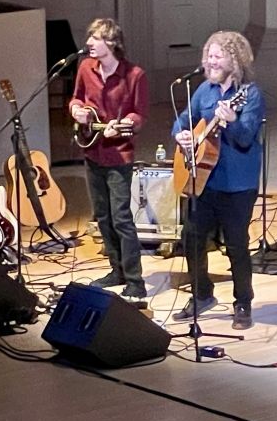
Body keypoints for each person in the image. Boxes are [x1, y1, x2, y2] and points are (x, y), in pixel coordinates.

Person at [171, 31, 264, 330]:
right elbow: (183, 119)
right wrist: (181, 135)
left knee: (237, 244)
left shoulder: (249, 95)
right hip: (204, 180)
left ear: (234, 60)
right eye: (208, 55)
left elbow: (246, 138)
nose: (210, 61)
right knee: (191, 238)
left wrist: (233, 122)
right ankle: (201, 294)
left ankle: (243, 302)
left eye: (217, 56)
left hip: (237, 183)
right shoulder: (203, 91)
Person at [69, 18, 149, 299]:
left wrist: (125, 122)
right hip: (92, 151)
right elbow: (76, 99)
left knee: (121, 218)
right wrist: (77, 110)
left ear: (112, 43)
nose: (89, 42)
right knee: (102, 216)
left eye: (96, 38)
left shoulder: (135, 75)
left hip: (119, 155)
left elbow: (139, 116)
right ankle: (116, 270)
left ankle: (136, 280)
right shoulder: (84, 68)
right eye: (89, 36)